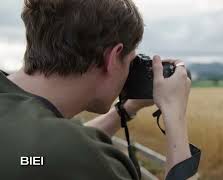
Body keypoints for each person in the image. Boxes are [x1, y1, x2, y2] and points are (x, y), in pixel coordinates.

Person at [0, 0, 196, 179]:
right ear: (112, 58)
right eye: (129, 62)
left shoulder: (33, 134)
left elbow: (40, 154)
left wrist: (126, 109)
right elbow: (62, 153)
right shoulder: (75, 154)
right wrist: (174, 115)